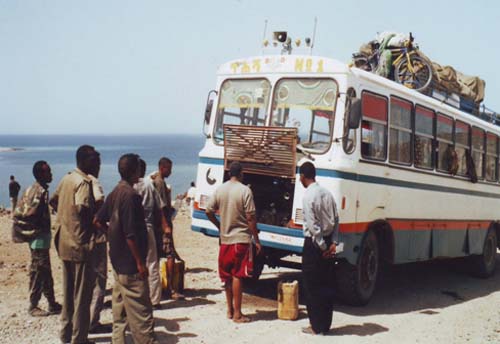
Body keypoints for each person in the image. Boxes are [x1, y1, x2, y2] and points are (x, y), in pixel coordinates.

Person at [94, 154, 158, 344]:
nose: (141, 171)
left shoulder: (115, 192)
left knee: (119, 311)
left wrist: (113, 237)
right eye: (139, 167)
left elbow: (97, 220)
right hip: (130, 265)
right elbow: (131, 235)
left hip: (117, 262)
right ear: (133, 171)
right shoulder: (131, 196)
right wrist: (140, 263)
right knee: (142, 315)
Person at [50, 145, 99, 344]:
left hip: (64, 242)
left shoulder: (66, 178)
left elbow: (53, 201)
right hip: (80, 244)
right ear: (86, 162)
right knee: (82, 296)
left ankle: (65, 334)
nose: (98, 167)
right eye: (96, 163)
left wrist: (66, 219)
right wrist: (91, 223)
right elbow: (82, 208)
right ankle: (79, 339)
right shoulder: (83, 183)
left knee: (68, 293)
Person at [205, 161, 261, 323]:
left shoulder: (221, 189)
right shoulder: (245, 191)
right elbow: (250, 217)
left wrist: (219, 225)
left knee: (227, 276)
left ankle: (229, 310)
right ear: (241, 174)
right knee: (238, 275)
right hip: (240, 239)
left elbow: (208, 210)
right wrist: (256, 240)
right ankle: (238, 313)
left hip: (225, 240)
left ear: (230, 174)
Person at [14, 161, 62, 317]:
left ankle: (52, 303)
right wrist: (37, 230)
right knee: (38, 271)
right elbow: (30, 213)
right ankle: (33, 306)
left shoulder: (34, 189)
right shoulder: (39, 192)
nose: (51, 174)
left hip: (40, 238)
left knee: (45, 271)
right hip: (38, 239)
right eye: (48, 172)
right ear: (41, 174)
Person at [299, 162, 339, 335]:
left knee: (311, 285)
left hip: (315, 245)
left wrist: (322, 246)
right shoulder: (328, 194)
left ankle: (316, 326)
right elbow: (336, 219)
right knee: (326, 284)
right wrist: (333, 243)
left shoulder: (309, 196)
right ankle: (325, 325)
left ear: (302, 176)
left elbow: (313, 226)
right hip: (329, 241)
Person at [149, 157, 184, 300]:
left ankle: (158, 288)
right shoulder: (160, 183)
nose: (171, 171)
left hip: (156, 226)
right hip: (162, 226)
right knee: (169, 255)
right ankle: (170, 288)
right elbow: (162, 207)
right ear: (163, 168)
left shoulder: (155, 180)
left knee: (156, 257)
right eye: (169, 169)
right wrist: (166, 226)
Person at [134, 159, 166, 309]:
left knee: (133, 263)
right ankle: (154, 299)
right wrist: (163, 226)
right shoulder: (149, 185)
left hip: (132, 229)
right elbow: (159, 207)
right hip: (148, 227)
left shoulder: (129, 185)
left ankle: (136, 296)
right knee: (152, 263)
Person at [88, 155, 111, 334]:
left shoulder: (71, 179)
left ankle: (82, 320)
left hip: (79, 239)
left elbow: (54, 201)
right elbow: (100, 206)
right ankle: (92, 322)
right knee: (99, 281)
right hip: (96, 239)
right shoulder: (93, 182)